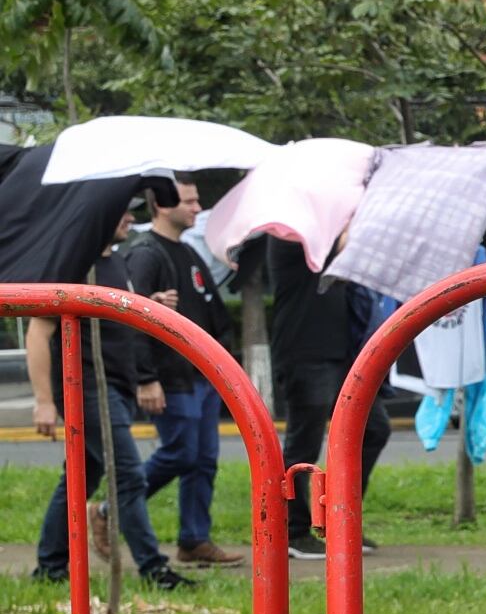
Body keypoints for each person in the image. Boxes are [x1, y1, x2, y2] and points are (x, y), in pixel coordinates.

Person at [31, 236, 191, 591]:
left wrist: (148, 304)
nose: (129, 218)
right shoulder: (71, 260)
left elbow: (111, 314)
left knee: (81, 476)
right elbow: (38, 331)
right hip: (87, 387)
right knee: (129, 476)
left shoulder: (116, 261)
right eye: (121, 211)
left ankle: (50, 566)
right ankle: (154, 570)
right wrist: (44, 400)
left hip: (118, 385)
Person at [118, 181, 246, 566]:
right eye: (189, 201)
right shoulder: (144, 254)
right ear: (161, 204)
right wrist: (145, 377)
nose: (197, 207)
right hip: (169, 376)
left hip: (200, 376)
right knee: (179, 453)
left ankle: (194, 539)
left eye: (195, 198)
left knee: (204, 459)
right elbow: (131, 319)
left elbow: (215, 315)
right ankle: (110, 510)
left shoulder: (189, 251)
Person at [262, 235, 388, 559]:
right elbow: (343, 246)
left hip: (343, 353)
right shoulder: (291, 235)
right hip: (305, 353)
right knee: (303, 443)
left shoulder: (328, 234)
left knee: (374, 429)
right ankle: (294, 530)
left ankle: (337, 518)